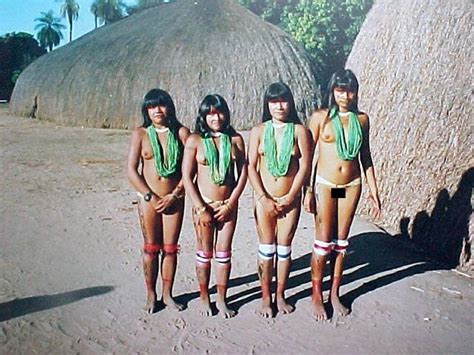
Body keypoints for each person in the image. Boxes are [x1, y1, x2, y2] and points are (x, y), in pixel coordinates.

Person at [303, 69, 381, 321]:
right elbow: (308, 158)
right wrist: (307, 191)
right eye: (339, 90)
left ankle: (334, 293)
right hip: (326, 184)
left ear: (355, 92)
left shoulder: (362, 120)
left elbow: (365, 156)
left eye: (349, 90)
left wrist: (374, 190)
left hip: (351, 185)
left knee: (341, 242)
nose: (344, 95)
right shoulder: (320, 118)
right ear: (332, 90)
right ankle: (317, 293)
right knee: (323, 241)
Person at [248, 82, 311, 318]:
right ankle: (266, 297)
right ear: (267, 104)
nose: (279, 106)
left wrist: (291, 196)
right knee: (266, 247)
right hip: (264, 198)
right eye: (274, 101)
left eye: (283, 101)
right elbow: (251, 167)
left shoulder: (299, 131)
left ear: (290, 102)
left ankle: (281, 295)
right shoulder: (258, 131)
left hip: (290, 199)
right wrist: (264, 198)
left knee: (283, 248)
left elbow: (305, 165)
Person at [182, 94, 247, 318]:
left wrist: (231, 203)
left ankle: (221, 298)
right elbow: (187, 176)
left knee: (224, 253)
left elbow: (243, 174)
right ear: (203, 116)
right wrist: (200, 207)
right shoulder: (195, 140)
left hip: (227, 206)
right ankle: (204, 297)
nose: (215, 117)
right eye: (210, 113)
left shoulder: (236, 139)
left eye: (219, 112)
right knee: (204, 252)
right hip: (204, 206)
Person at [127, 88, 190, 314]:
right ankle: (151, 294)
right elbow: (132, 171)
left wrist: (174, 194)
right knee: (151, 249)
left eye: (161, 105)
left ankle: (167, 294)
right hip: (148, 200)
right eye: (152, 106)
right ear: (146, 109)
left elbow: (189, 170)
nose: (157, 110)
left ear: (169, 107)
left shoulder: (181, 133)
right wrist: (150, 196)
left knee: (170, 249)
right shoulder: (141, 134)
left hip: (174, 198)